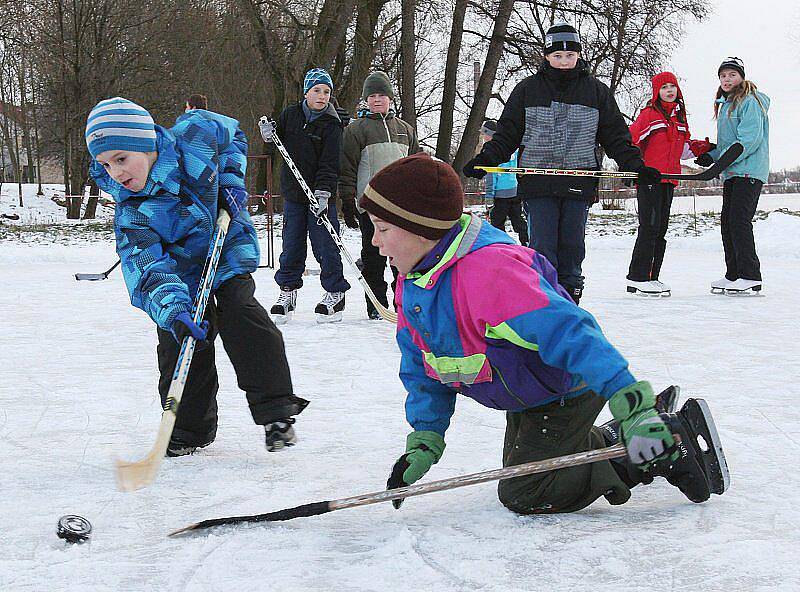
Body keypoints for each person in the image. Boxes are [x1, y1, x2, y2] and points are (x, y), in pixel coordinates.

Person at [360, 153, 727, 516]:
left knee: (528, 490)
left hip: (563, 388)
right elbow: (422, 365)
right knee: (526, 468)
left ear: (423, 228)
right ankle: (614, 435)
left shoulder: (490, 274)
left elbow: (572, 334)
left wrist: (632, 404)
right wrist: (426, 437)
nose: (375, 243)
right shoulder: (416, 284)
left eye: (384, 229)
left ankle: (662, 448)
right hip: (526, 394)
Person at [85, 97, 308, 456]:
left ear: (147, 143)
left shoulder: (194, 134)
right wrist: (174, 312)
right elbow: (146, 268)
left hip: (225, 250)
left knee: (240, 312)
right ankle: (189, 430)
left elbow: (233, 134)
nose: (116, 172)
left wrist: (232, 180)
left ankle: (276, 411)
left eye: (121, 158)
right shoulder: (133, 213)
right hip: (180, 279)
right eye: (105, 165)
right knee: (182, 344)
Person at [463, 22, 660, 305]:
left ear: (579, 55)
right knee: (542, 244)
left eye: (570, 56)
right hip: (538, 182)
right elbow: (508, 134)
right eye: (558, 56)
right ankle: (542, 298)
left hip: (579, 182)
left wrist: (636, 166)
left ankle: (570, 298)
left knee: (572, 246)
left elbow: (616, 135)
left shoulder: (596, 92)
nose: (564, 62)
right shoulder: (527, 90)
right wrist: (485, 160)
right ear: (546, 56)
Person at [267, 67, 351, 322]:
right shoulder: (290, 115)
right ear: (306, 92)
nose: (322, 96)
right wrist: (268, 134)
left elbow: (330, 163)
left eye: (326, 92)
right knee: (291, 245)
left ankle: (335, 292)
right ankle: (287, 291)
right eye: (317, 90)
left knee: (325, 244)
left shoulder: (332, 124)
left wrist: (324, 193)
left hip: (320, 196)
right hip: (294, 195)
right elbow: (276, 140)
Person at [339, 70, 420, 319]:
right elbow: (347, 167)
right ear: (365, 100)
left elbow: (417, 165)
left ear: (390, 99)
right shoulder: (356, 130)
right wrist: (348, 200)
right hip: (370, 205)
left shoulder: (405, 129)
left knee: (403, 256)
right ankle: (375, 304)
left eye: (382, 95)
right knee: (373, 256)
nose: (377, 100)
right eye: (372, 96)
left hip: (401, 206)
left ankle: (402, 302)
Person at [625, 72, 715, 296]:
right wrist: (631, 167)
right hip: (650, 179)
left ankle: (652, 277)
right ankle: (638, 277)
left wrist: (701, 150)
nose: (669, 91)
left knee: (661, 229)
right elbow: (630, 140)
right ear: (657, 92)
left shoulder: (679, 118)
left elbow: (682, 148)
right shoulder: (649, 115)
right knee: (650, 226)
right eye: (664, 87)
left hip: (670, 179)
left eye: (672, 86)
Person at [699, 57, 769, 295]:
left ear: (741, 77)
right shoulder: (726, 104)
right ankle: (734, 274)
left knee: (739, 221)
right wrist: (712, 155)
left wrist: (720, 164)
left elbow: (747, 141)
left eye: (731, 75)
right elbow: (729, 144)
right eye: (723, 76)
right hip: (733, 173)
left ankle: (750, 275)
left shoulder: (750, 101)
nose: (727, 79)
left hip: (749, 171)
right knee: (728, 223)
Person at [479, 119, 529, 245]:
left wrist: (489, 197)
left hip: (500, 195)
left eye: (484, 134)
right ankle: (527, 241)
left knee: (497, 225)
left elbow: (491, 177)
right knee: (518, 221)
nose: (483, 136)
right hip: (514, 192)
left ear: (491, 135)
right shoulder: (511, 148)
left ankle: (502, 247)